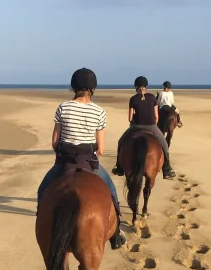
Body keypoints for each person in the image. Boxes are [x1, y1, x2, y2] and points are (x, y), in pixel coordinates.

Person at [36, 68, 127, 250]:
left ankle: (42, 223)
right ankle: (116, 233)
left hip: (65, 162)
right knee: (111, 191)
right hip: (88, 162)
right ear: (93, 88)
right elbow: (101, 148)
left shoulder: (63, 107)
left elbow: (55, 142)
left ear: (73, 86)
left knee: (42, 190)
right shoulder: (99, 111)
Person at [112, 76, 174, 178]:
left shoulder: (133, 99)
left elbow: (130, 118)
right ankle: (167, 168)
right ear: (146, 86)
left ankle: (119, 167)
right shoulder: (152, 97)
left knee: (121, 142)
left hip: (136, 126)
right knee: (164, 144)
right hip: (152, 126)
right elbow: (156, 116)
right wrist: (153, 124)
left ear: (136, 87)